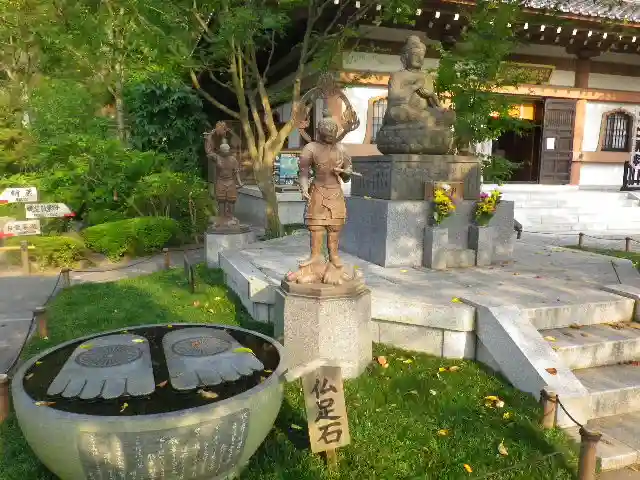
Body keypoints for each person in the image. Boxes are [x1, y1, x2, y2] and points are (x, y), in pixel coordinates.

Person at [298, 112, 352, 269]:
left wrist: (344, 172)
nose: (329, 140)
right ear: (319, 132)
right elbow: (303, 172)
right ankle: (315, 256)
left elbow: (347, 176)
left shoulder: (342, 149)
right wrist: (304, 188)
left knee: (335, 226)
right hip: (318, 189)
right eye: (326, 136)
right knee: (316, 226)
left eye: (332, 136)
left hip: (335, 190)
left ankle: (334, 256)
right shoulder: (310, 148)